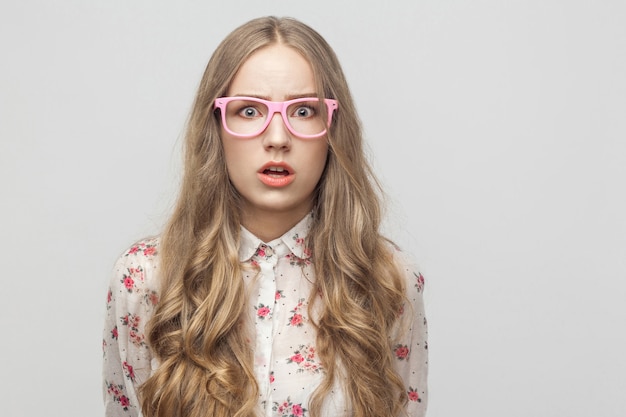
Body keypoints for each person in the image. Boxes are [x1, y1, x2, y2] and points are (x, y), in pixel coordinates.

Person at [102, 16, 428, 417]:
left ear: (332, 128)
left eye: (304, 110)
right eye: (250, 111)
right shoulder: (146, 278)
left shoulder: (388, 281)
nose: (277, 138)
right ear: (216, 126)